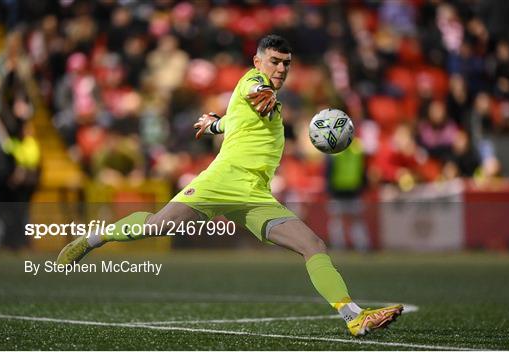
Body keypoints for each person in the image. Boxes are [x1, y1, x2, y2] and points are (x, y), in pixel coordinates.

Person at [57, 34, 402, 336]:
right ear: (258, 61)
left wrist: (214, 125)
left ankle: (354, 317)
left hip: (254, 196)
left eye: (287, 64)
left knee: (313, 244)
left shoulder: (268, 104)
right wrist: (263, 95)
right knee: (157, 226)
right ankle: (92, 239)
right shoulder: (253, 81)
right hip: (220, 183)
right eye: (275, 62)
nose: (281, 69)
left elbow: (237, 120)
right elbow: (256, 92)